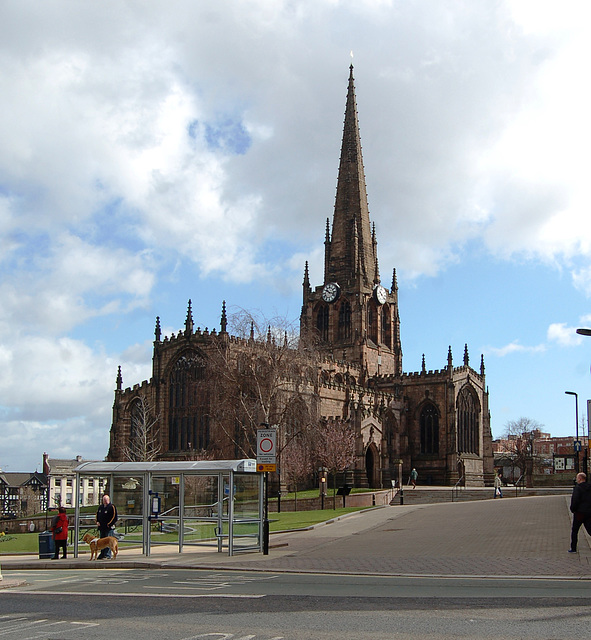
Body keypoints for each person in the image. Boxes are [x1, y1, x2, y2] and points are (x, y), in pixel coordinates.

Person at [569, 472, 591, 553]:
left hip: (579, 512)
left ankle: (573, 548)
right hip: (589, 512)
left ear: (580, 478)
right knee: (589, 528)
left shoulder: (578, 488)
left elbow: (575, 500)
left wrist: (573, 509)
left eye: (577, 478)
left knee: (575, 530)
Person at [96, 494, 118, 559]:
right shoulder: (100, 507)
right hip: (101, 527)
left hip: (108, 527)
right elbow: (97, 515)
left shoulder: (112, 507)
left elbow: (114, 517)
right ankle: (102, 554)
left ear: (109, 500)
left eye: (106, 500)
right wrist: (97, 521)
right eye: (104, 500)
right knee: (102, 541)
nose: (105, 501)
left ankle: (107, 555)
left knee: (108, 542)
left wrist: (109, 524)